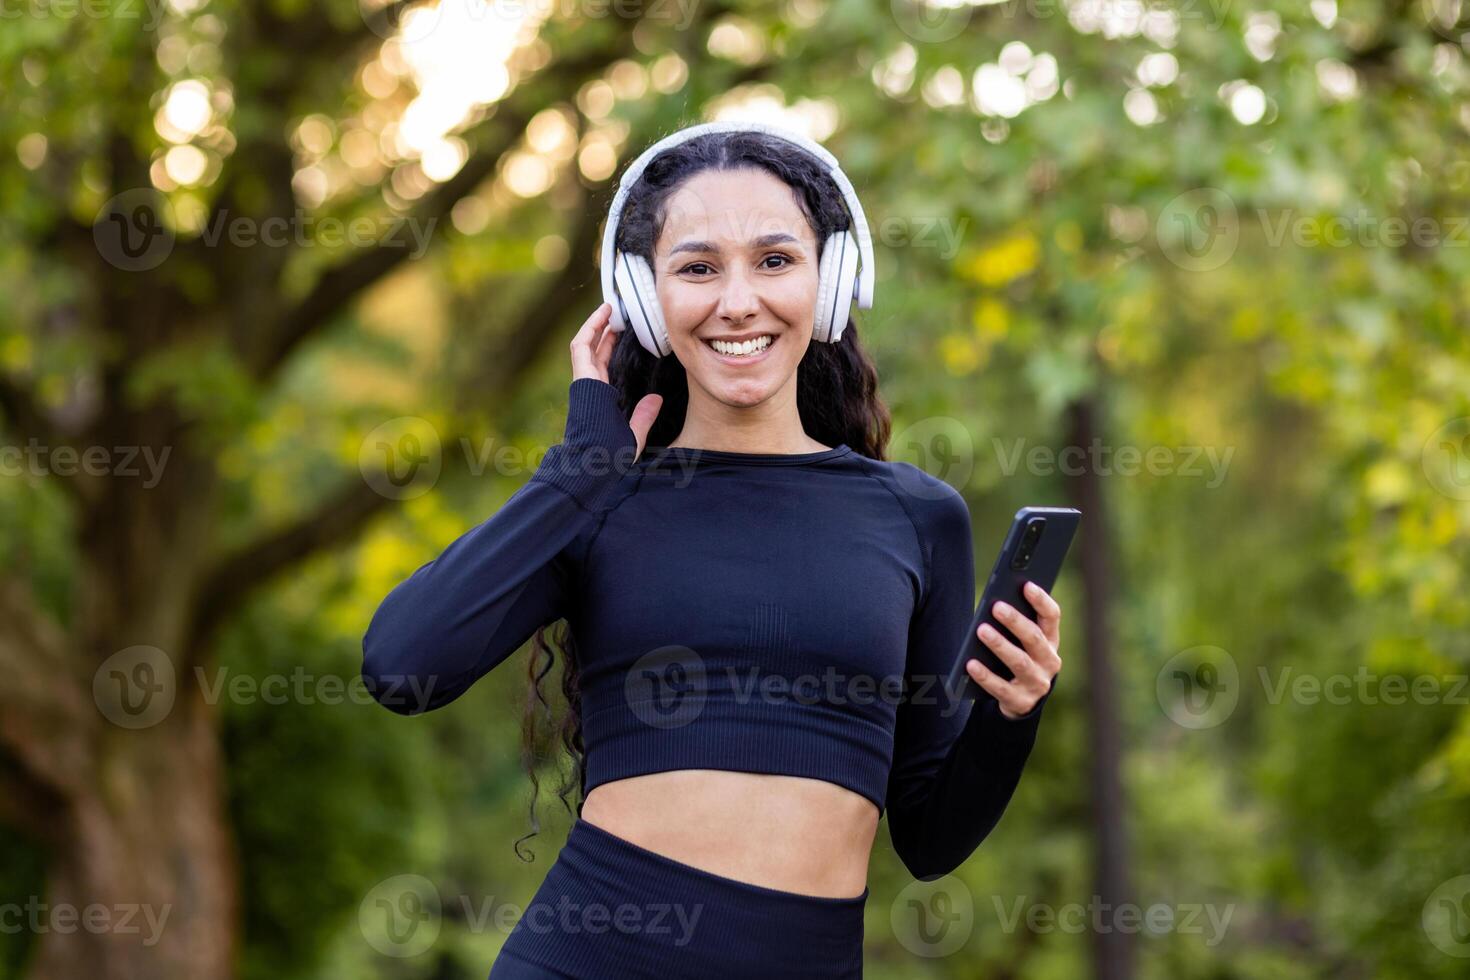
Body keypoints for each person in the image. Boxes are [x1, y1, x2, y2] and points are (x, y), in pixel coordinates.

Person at [361, 125, 1063, 979]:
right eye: (698, 268)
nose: (737, 301)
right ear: (642, 297)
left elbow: (930, 837)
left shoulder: (918, 518)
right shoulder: (598, 500)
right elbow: (402, 666)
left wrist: (1009, 716)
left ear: (832, 281)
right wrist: (581, 469)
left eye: (774, 261)